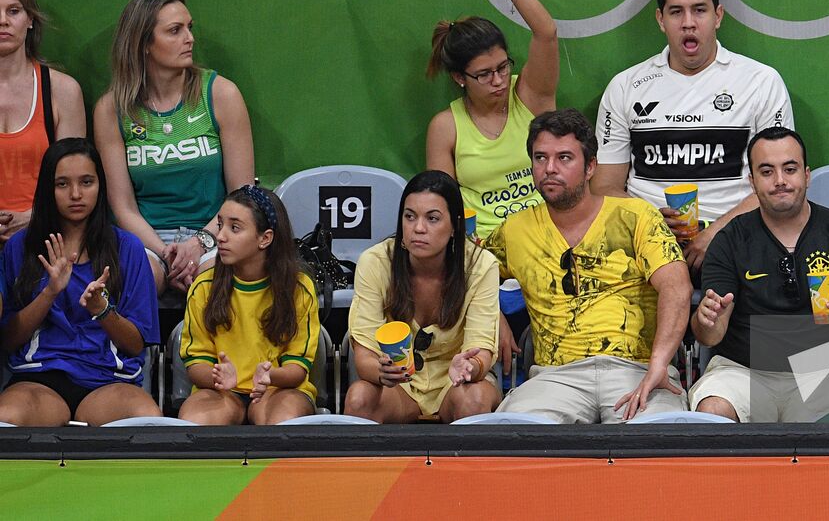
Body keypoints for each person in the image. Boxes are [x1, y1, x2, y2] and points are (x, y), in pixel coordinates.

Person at [487, 109, 691, 423]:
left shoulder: (636, 215)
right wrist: (494, 316)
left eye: (565, 158)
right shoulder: (514, 230)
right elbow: (465, 272)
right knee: (514, 441)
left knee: (659, 447)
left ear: (590, 167)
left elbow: (677, 286)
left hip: (637, 371)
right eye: (540, 158)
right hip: (554, 379)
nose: (550, 169)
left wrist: (659, 365)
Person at [593, 0, 792, 269]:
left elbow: (777, 184)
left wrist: (718, 232)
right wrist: (649, 222)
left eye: (699, 10)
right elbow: (604, 187)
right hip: (644, 241)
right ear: (660, 19)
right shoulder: (625, 87)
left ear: (718, 16)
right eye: (676, 12)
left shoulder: (761, 82)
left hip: (736, 239)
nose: (688, 23)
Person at [690, 127, 829, 422]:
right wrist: (705, 319)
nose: (780, 181)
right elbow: (710, 335)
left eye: (790, 169)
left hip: (825, 376)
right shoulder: (730, 239)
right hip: (741, 373)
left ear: (806, 175)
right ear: (752, 182)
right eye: (767, 171)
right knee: (713, 411)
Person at [93, 0, 255, 292]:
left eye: (189, 28)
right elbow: (123, 207)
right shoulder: (110, 109)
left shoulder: (221, 94)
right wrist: (168, 256)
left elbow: (242, 195)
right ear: (144, 44)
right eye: (175, 31)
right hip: (146, 239)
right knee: (140, 279)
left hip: (214, 234)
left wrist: (198, 244)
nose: (190, 38)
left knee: (210, 282)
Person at [0, 138, 160, 426]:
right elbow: (9, 339)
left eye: (86, 182)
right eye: (62, 184)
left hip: (109, 380)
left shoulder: (129, 248)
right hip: (39, 378)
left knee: (145, 419)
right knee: (6, 418)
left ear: (101, 186)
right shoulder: (20, 247)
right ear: (48, 189)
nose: (76, 194)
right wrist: (50, 292)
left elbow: (136, 345)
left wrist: (102, 310)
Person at [425, 0, 557, 241]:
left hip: (548, 237)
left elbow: (547, 33)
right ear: (460, 78)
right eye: (484, 74)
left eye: (502, 67)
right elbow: (441, 205)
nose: (498, 81)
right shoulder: (445, 127)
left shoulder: (529, 96)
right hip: (483, 246)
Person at [344, 171, 501, 423]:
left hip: (455, 383)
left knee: (474, 399)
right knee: (359, 398)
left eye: (433, 218)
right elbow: (364, 356)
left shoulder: (481, 266)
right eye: (409, 217)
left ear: (454, 226)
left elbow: (480, 349)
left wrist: (470, 367)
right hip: (398, 387)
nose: (418, 228)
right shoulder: (375, 262)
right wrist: (382, 371)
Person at [178, 186, 319, 425]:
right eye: (220, 225)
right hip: (219, 391)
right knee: (195, 419)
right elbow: (196, 363)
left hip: (278, 388)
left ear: (265, 238)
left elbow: (297, 369)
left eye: (235, 228)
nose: (220, 236)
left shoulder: (299, 288)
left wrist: (268, 376)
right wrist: (217, 377)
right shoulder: (204, 287)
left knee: (281, 419)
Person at [0, 0, 85, 242]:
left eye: (13, 11)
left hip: (46, 236)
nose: (2, 21)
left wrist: (36, 216)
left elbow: (77, 180)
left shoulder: (62, 91)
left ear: (30, 20)